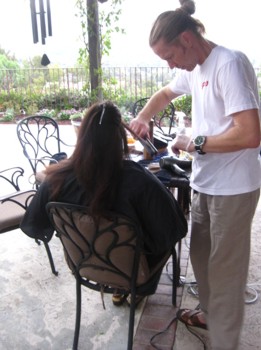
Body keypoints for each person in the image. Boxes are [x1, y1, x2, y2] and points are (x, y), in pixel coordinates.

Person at [130, 1, 261, 349]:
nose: (170, 65)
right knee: (201, 260)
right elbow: (164, 93)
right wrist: (143, 117)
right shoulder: (192, 68)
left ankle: (224, 342)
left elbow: (249, 133)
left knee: (226, 274)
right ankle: (206, 313)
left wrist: (196, 142)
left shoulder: (228, 64)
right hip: (205, 181)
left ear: (187, 39)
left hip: (234, 188)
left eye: (169, 56)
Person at [20, 100, 187, 306]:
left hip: (84, 263)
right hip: (133, 270)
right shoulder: (140, 181)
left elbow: (34, 224)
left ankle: (120, 284)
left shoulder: (56, 179)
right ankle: (128, 287)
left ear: (82, 137)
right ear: (120, 138)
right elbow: (175, 229)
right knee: (151, 229)